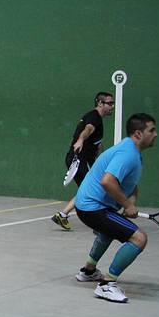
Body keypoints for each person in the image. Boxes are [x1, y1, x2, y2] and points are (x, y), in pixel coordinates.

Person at [72, 113, 158, 303]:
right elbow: (108, 181)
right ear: (138, 134)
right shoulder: (127, 154)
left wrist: (131, 202)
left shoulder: (132, 151)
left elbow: (131, 183)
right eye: (151, 130)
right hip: (93, 208)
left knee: (108, 231)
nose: (156, 134)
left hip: (89, 205)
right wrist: (127, 205)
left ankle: (88, 271)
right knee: (139, 238)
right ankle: (106, 285)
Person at [51, 92, 115, 230]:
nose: (112, 106)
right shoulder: (94, 117)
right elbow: (88, 129)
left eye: (113, 103)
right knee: (92, 190)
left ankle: (62, 215)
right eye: (110, 103)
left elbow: (98, 143)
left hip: (83, 159)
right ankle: (98, 221)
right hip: (79, 160)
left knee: (87, 189)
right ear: (100, 103)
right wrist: (80, 140)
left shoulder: (96, 119)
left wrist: (102, 159)